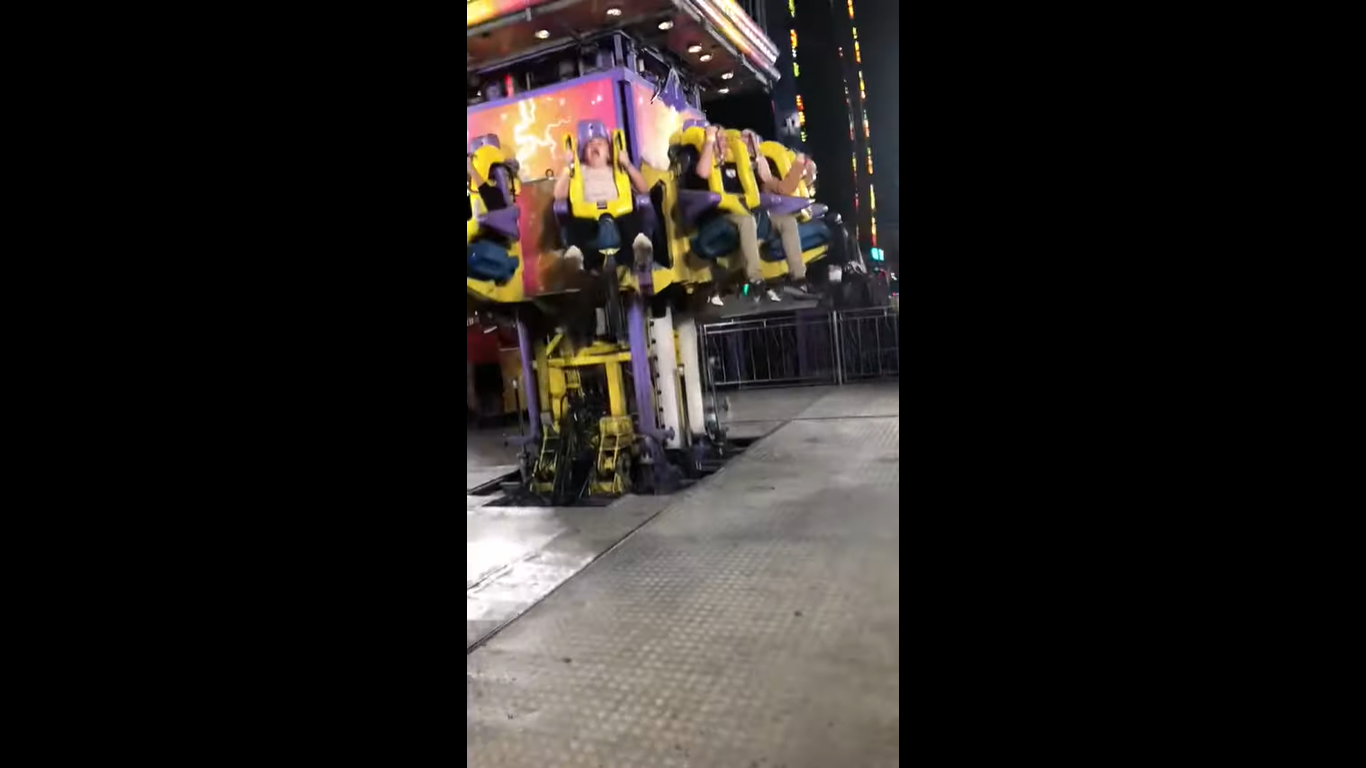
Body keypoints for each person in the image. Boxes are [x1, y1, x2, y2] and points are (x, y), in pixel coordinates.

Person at [687, 125, 776, 303]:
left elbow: (765, 177)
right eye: (719, 139)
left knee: (761, 219)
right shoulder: (704, 160)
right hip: (712, 220)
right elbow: (702, 172)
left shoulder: (734, 165)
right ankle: (755, 278)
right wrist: (709, 141)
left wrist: (754, 149)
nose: (724, 142)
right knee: (747, 221)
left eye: (725, 139)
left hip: (735, 217)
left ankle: (733, 280)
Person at [553, 136, 654, 272]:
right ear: (583, 155)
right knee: (577, 223)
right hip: (588, 217)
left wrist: (628, 165)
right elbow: (558, 195)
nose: (594, 145)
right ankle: (576, 255)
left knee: (631, 217)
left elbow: (643, 189)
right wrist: (567, 166)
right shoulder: (578, 171)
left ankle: (640, 245)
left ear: (608, 154)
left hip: (618, 215)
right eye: (590, 144)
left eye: (600, 143)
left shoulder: (618, 170)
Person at [747, 131, 815, 300]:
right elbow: (783, 188)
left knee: (789, 222)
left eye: (752, 143)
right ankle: (756, 280)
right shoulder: (759, 165)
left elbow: (793, 188)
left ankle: (799, 278)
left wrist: (805, 171)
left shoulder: (768, 162)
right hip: (756, 212)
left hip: (772, 213)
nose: (751, 146)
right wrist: (798, 166)